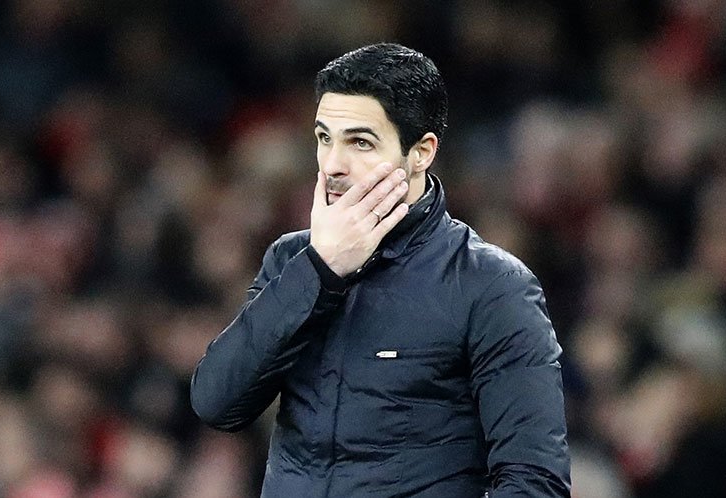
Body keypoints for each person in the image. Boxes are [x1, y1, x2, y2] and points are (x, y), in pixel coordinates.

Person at [191, 43, 570, 497]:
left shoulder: (491, 286)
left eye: (360, 142)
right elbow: (216, 403)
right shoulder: (291, 260)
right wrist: (320, 270)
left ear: (421, 152)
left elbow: (534, 481)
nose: (333, 165)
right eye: (324, 138)